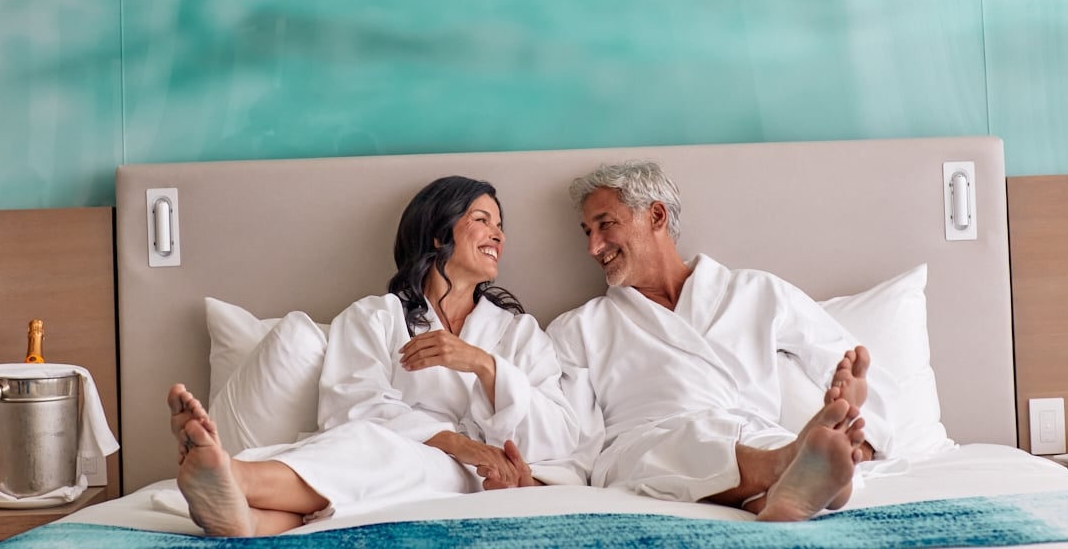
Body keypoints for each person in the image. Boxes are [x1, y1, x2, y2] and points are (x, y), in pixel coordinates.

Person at [167, 176, 578, 537]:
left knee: (390, 453)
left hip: (477, 477)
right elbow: (354, 405)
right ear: (438, 236)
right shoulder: (375, 316)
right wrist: (456, 444)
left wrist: (484, 367)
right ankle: (249, 520)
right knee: (374, 446)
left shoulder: (521, 333)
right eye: (482, 219)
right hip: (402, 456)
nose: (499, 235)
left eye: (501, 226)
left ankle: (233, 476)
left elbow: (559, 434)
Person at [541, 160, 897, 522]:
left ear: (657, 216)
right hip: (645, 447)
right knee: (679, 447)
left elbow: (861, 369)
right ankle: (793, 466)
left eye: (605, 225)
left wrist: (863, 441)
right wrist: (542, 478)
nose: (593, 246)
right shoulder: (577, 329)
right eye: (587, 231)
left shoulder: (756, 292)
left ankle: (785, 490)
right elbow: (569, 435)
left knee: (765, 444)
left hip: (753, 434)